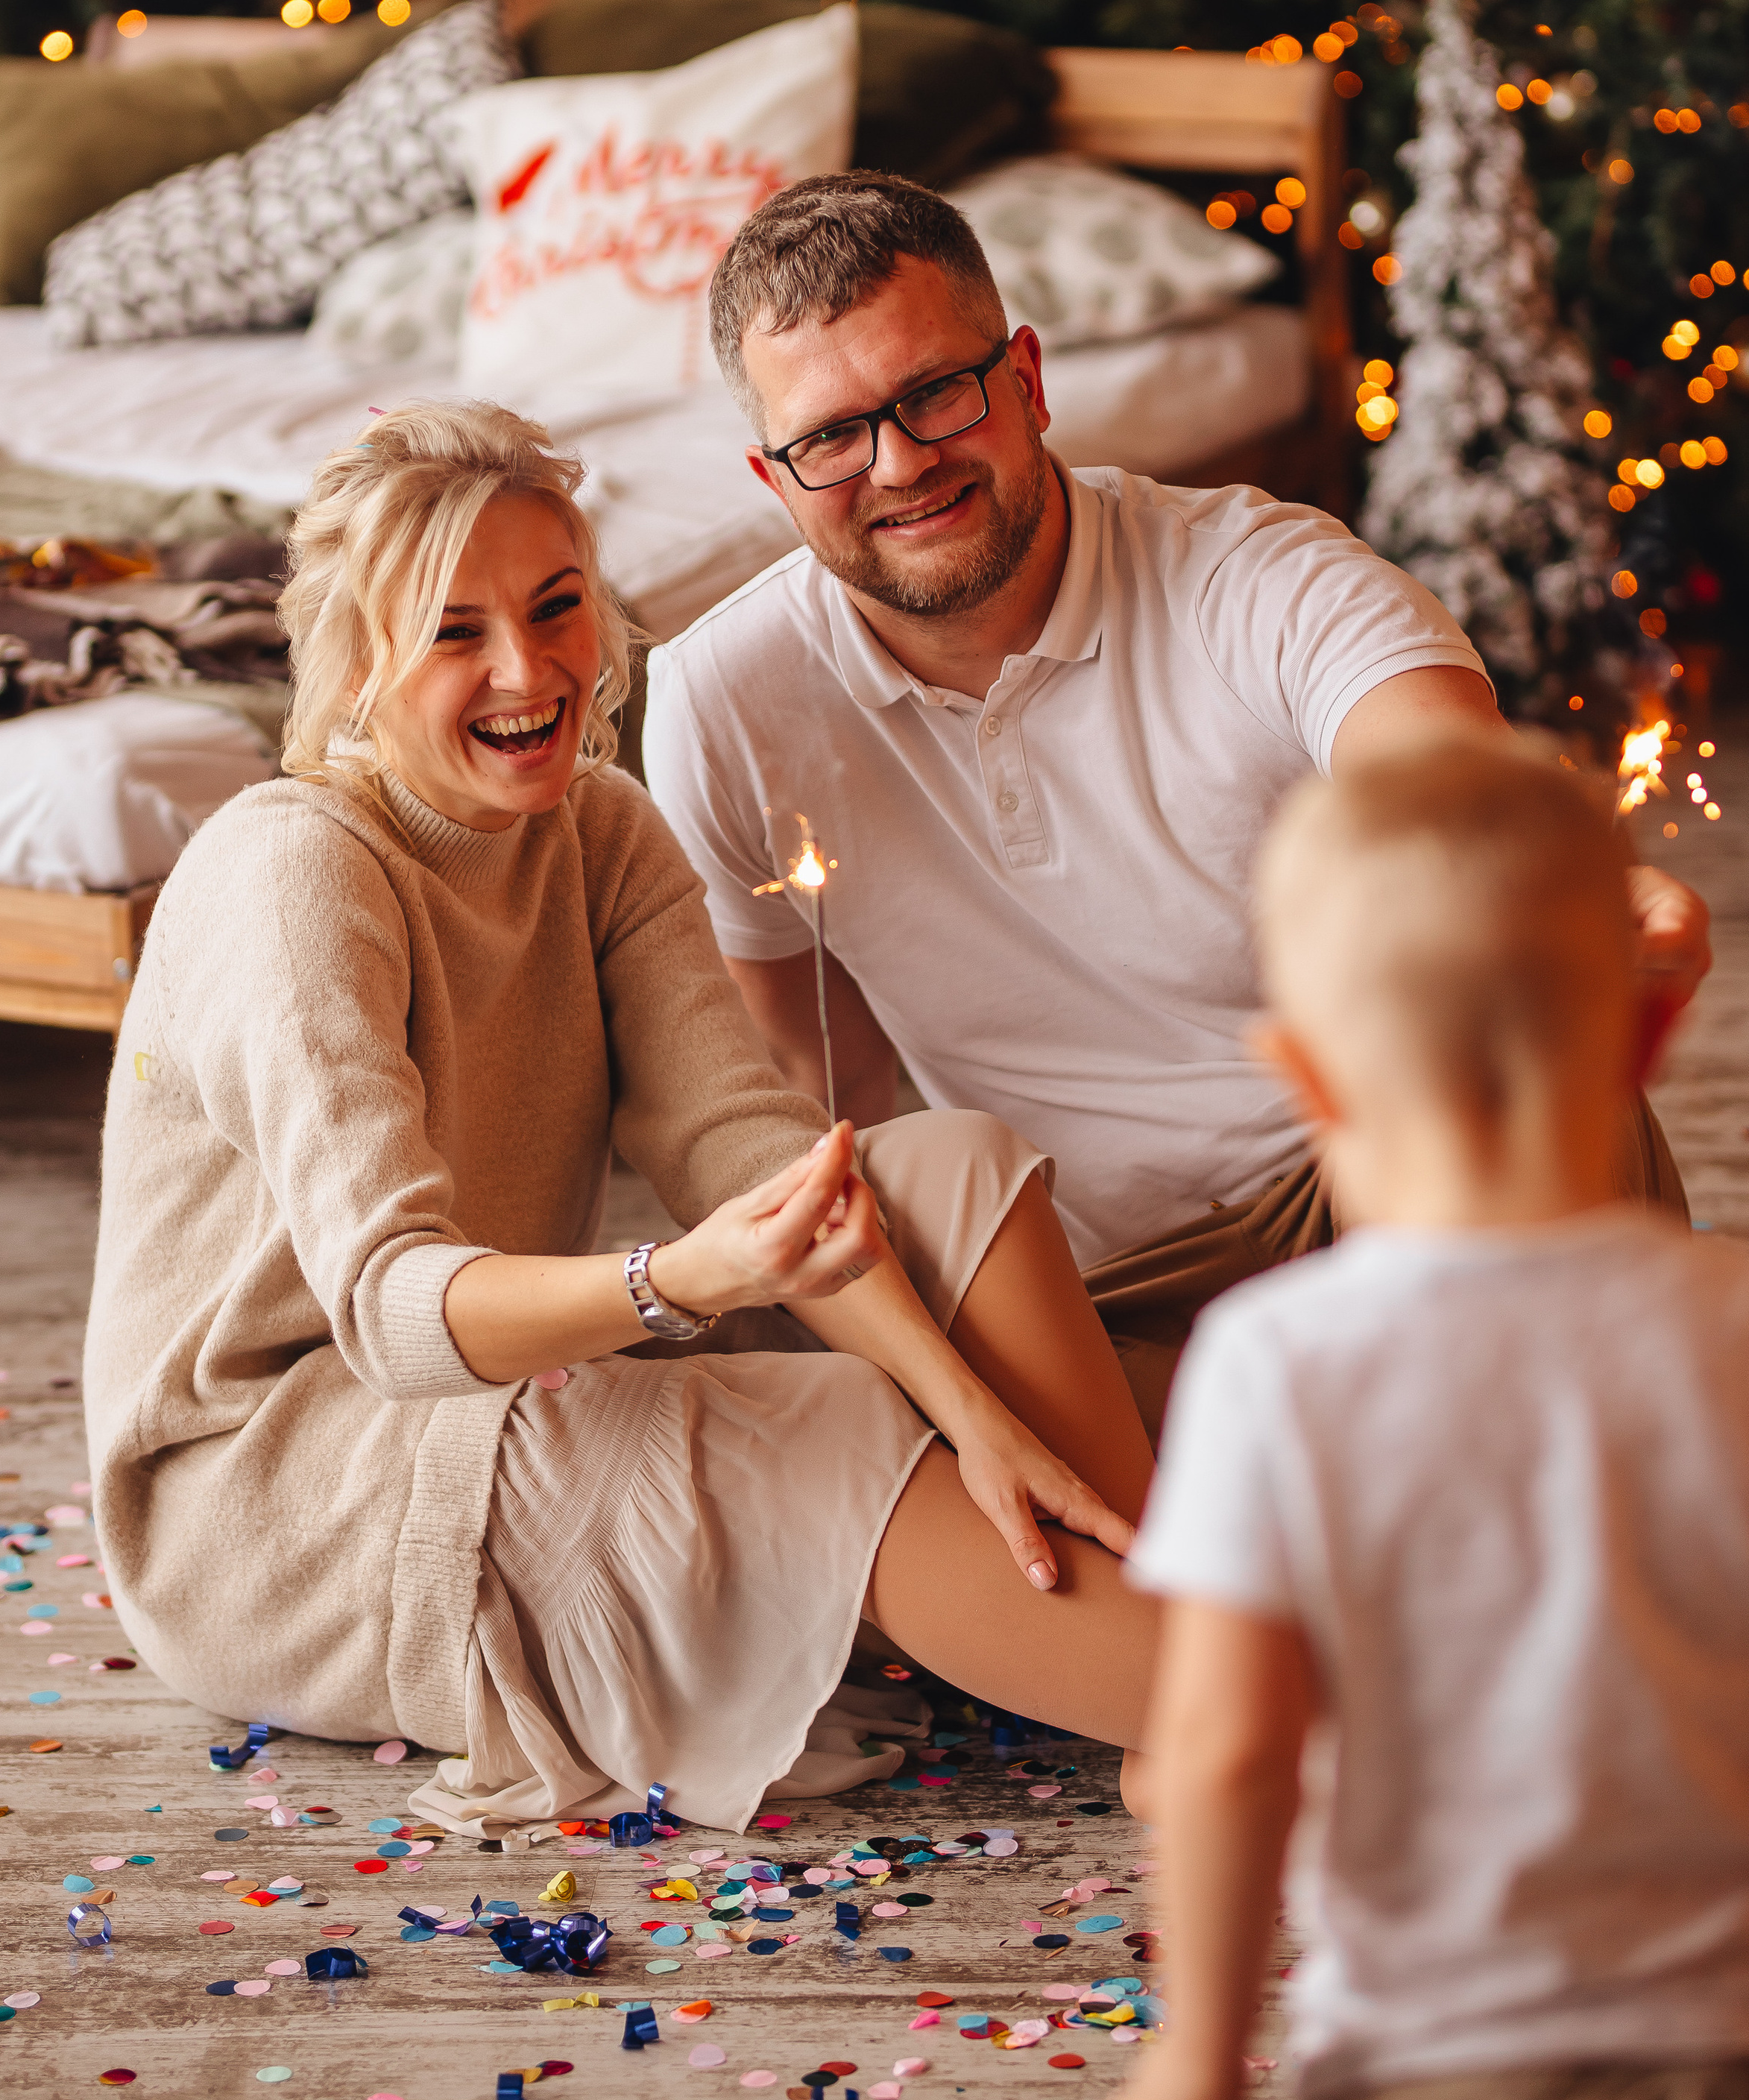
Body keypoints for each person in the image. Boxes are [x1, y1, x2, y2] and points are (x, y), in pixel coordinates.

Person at [82, 398, 1163, 1841]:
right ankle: (1238, 1711)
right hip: (280, 1495)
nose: (527, 672)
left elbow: (745, 1147)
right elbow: (395, 1316)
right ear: (357, 664)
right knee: (833, 1420)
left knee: (943, 1171)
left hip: (507, 1373)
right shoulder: (294, 872)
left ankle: (1152, 1624)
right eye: (454, 631)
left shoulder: (597, 829)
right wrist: (680, 1284)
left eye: (556, 606)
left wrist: (973, 1415)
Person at [643, 172, 1707, 1434]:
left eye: (938, 391)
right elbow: (816, 1086)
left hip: (1392, 1165)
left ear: (1027, 381)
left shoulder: (1262, 578)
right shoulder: (720, 698)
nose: (901, 462)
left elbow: (1441, 801)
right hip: (1098, 1295)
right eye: (832, 436)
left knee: (1528, 1105)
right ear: (775, 477)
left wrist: (1550, 892)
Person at [1065, 737, 1749, 2100]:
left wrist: (1191, 2070)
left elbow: (1225, 1749)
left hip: (1440, 2075)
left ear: (1304, 1073)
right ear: (1644, 1043)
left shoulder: (1273, 1361)